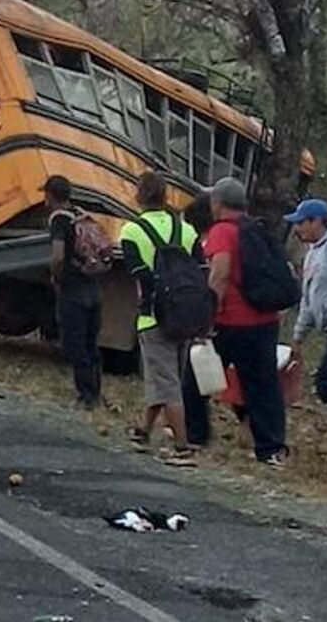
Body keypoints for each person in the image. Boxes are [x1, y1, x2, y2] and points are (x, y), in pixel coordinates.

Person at [192, 177, 288, 466]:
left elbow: (219, 274)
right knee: (263, 386)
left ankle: (195, 436)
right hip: (265, 320)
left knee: (196, 378)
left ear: (217, 203)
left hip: (231, 321)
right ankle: (271, 449)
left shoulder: (222, 232)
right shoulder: (258, 229)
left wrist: (207, 318)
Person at [116, 172, 199, 466]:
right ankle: (143, 431)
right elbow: (200, 268)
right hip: (185, 315)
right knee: (165, 377)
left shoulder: (132, 231)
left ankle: (182, 448)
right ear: (165, 196)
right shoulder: (186, 230)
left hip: (152, 317)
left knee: (166, 384)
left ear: (139, 196)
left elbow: (137, 274)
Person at [45, 174, 105, 410]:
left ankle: (85, 395)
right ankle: (96, 392)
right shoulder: (81, 214)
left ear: (49, 196)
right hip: (94, 287)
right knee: (91, 343)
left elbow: (58, 255)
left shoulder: (58, 220)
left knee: (74, 344)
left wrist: (55, 276)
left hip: (73, 290)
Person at [288, 198, 327, 413]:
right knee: (326, 385)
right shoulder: (312, 255)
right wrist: (298, 338)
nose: (296, 228)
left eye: (300, 222)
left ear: (316, 221)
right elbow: (308, 301)